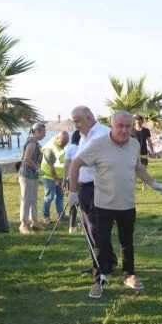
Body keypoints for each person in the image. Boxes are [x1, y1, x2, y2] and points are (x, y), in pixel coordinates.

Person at [67, 111, 162, 298]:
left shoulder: (135, 144)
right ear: (112, 125)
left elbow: (138, 167)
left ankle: (129, 274)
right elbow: (76, 163)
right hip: (103, 204)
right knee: (101, 244)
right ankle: (98, 280)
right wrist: (73, 192)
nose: (124, 130)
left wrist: (153, 184)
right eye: (120, 126)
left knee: (127, 242)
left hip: (127, 203)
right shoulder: (98, 144)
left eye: (128, 126)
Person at [70, 106, 115, 273]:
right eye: (74, 122)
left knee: (96, 228)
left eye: (78, 121)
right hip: (84, 187)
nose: (76, 125)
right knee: (89, 228)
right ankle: (103, 261)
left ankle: (102, 264)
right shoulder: (83, 136)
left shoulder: (102, 133)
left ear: (89, 118)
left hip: (98, 186)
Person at [18, 122, 46, 234]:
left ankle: (35, 222)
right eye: (43, 132)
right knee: (26, 200)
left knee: (33, 200)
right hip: (26, 175)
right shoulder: (32, 142)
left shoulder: (35, 142)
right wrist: (37, 168)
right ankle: (23, 224)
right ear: (37, 131)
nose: (44, 135)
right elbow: (27, 159)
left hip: (33, 175)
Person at [41, 130, 67, 223]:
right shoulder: (50, 148)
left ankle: (61, 216)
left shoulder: (62, 145)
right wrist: (57, 180)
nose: (64, 145)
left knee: (60, 196)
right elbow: (51, 168)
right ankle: (45, 216)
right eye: (63, 143)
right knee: (49, 197)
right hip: (49, 176)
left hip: (59, 176)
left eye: (66, 143)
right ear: (57, 138)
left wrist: (63, 178)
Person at [63, 129, 82, 234]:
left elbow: (66, 165)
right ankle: (84, 226)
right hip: (85, 179)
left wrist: (64, 179)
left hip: (72, 179)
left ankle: (72, 227)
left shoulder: (70, 149)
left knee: (73, 203)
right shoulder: (85, 147)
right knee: (85, 204)